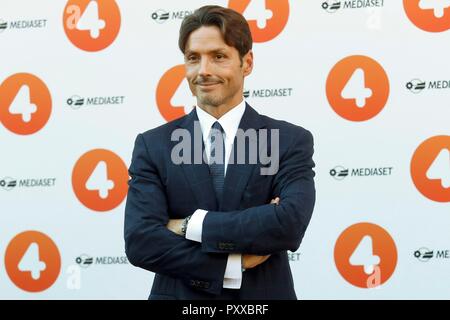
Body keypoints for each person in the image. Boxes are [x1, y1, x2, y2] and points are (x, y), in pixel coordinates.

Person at [124, 5, 315, 300]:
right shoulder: (154, 145)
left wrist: (188, 225)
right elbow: (141, 242)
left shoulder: (288, 141)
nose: (203, 71)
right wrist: (232, 263)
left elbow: (287, 225)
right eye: (193, 58)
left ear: (247, 62)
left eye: (218, 56)